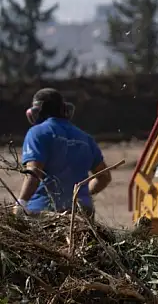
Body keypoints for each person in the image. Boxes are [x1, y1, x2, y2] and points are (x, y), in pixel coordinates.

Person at [12, 88, 112, 217]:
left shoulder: (37, 133)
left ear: (37, 111)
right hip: (82, 214)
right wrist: (81, 197)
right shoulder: (85, 138)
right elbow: (104, 177)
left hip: (45, 213)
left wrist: (21, 203)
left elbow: (34, 172)